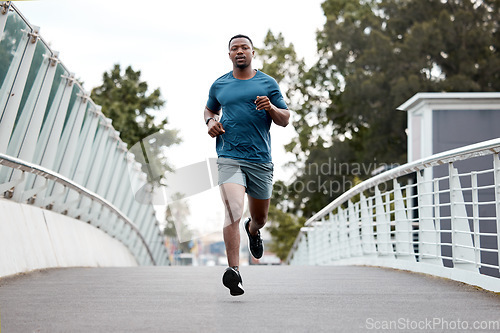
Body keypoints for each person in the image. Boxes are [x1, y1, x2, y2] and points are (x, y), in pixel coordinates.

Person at [203, 34, 290, 296]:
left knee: (260, 218)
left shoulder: (267, 83)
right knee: (233, 210)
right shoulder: (219, 85)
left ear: (253, 53)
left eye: (244, 48)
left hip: (260, 160)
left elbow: (285, 119)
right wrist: (210, 123)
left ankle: (253, 231)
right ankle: (234, 272)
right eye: (234, 48)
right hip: (229, 156)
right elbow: (209, 110)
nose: (239, 51)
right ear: (229, 54)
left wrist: (271, 108)